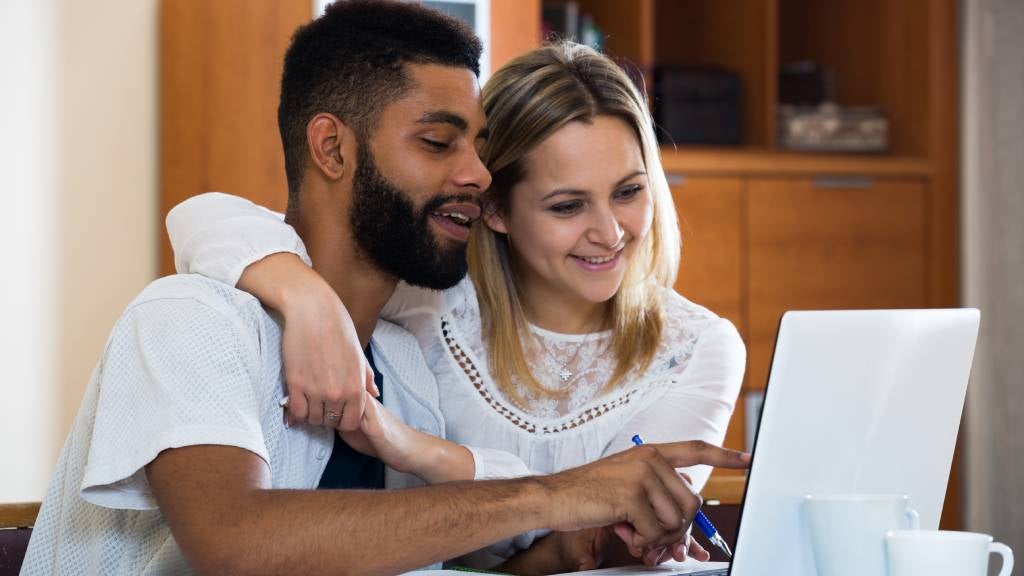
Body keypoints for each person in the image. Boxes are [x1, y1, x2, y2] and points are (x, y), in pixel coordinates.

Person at [22, 2, 748, 575]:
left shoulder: (402, 369)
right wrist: (558, 496)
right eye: (439, 143)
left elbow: (425, 557)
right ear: (333, 148)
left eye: (477, 144)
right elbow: (236, 548)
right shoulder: (191, 320)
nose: (479, 174)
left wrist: (565, 550)